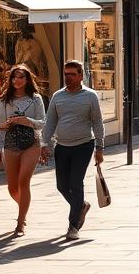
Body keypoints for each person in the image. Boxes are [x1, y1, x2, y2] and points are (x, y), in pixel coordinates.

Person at [40, 60, 105, 240]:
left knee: (75, 183)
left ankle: (73, 225)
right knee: (62, 185)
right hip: (62, 146)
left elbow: (97, 122)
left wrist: (100, 147)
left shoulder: (90, 96)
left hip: (83, 145)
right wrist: (44, 144)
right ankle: (81, 206)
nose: (68, 77)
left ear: (81, 75)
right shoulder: (57, 96)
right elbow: (50, 121)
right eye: (66, 74)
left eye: (72, 74)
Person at [0, 64, 46, 236]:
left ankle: (20, 220)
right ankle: (24, 205)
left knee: (24, 181)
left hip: (32, 142)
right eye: (14, 77)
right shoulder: (5, 101)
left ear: (27, 79)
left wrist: (27, 120)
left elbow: (43, 123)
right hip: (10, 143)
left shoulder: (35, 98)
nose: (17, 80)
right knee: (12, 187)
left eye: (21, 77)